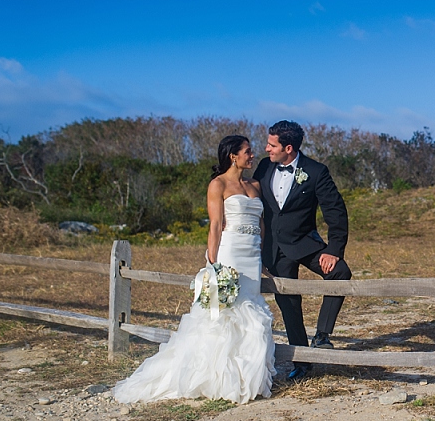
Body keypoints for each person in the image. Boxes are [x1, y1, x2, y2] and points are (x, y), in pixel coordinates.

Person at [113, 136, 276, 404]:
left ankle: (247, 377)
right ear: (233, 156)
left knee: (251, 314)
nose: (252, 155)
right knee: (224, 314)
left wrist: (264, 257)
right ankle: (217, 378)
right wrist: (213, 265)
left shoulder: (254, 184)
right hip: (231, 253)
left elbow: (262, 224)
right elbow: (215, 225)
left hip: (253, 255)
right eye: (248, 151)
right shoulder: (218, 184)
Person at [253, 120, 351, 381]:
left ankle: (322, 336)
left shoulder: (316, 171)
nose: (266, 148)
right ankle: (302, 362)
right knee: (289, 303)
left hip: (305, 243)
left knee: (340, 272)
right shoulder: (263, 167)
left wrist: (334, 249)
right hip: (274, 248)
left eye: (271, 145)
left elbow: (336, 211)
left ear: (288, 147)